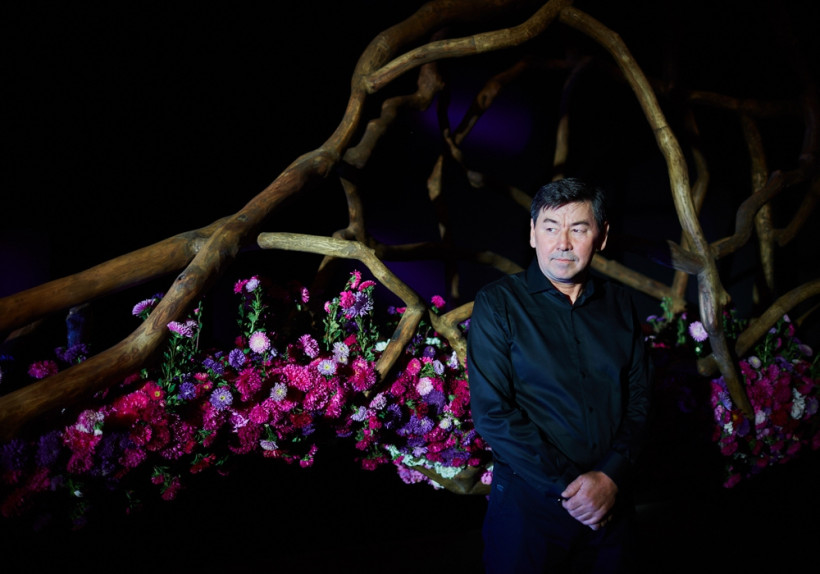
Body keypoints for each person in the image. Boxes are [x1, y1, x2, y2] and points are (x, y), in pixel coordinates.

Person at [467, 178, 652, 573]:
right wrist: (573, 489)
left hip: (612, 505)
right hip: (529, 511)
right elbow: (492, 413)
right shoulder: (498, 303)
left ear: (601, 237)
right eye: (551, 228)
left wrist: (609, 477)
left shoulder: (620, 304)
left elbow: (640, 399)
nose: (563, 243)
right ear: (533, 234)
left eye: (578, 229)